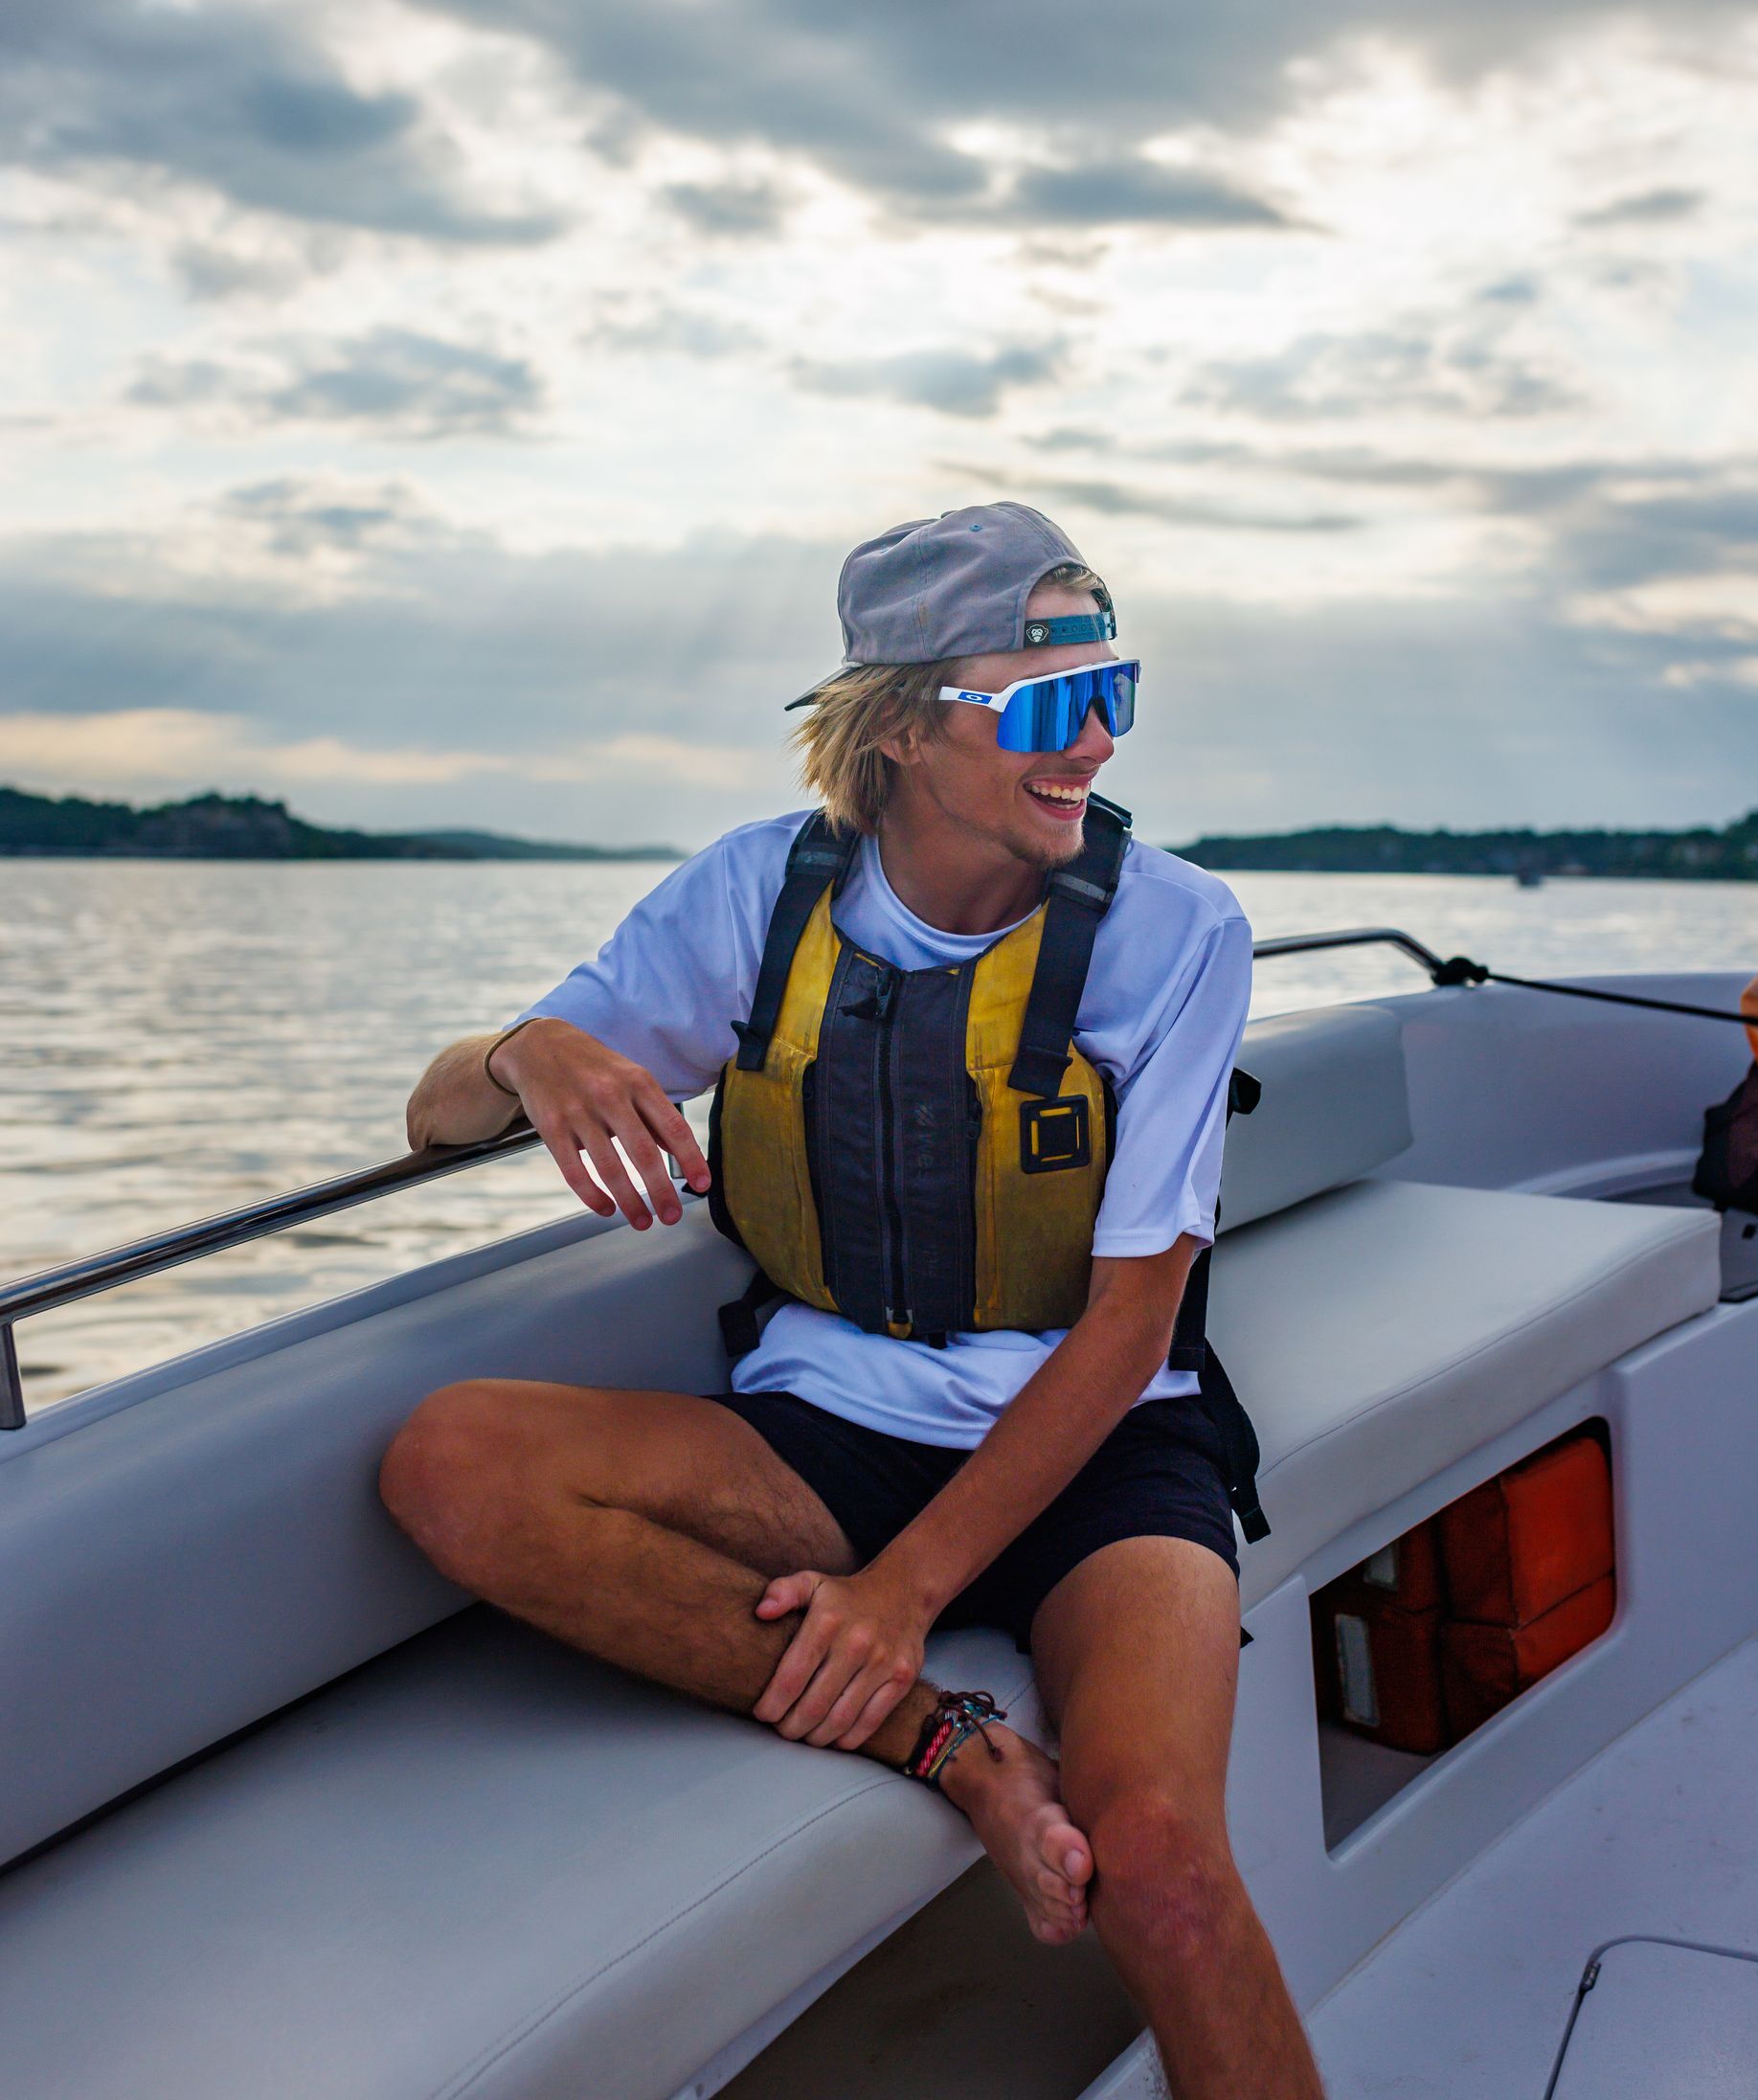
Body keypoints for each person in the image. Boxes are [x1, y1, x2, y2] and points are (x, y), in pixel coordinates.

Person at [381, 504, 1324, 2099]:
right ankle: (952, 1751)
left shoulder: (1177, 929)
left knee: (1157, 1863)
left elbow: (1130, 1329)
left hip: (1105, 1449)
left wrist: (900, 1591)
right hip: (831, 1426)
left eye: (1118, 691)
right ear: (896, 726)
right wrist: (525, 1050)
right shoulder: (752, 898)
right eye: (1043, 703)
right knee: (452, 1462)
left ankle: (945, 1711)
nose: (1092, 740)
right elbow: (435, 1121)